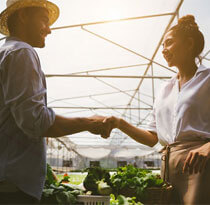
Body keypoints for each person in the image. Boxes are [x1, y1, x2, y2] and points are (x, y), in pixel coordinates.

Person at [0, 0, 112, 203]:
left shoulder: (6, 52)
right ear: (24, 16)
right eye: (44, 20)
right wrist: (89, 123)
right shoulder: (22, 52)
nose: (49, 30)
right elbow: (35, 122)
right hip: (12, 186)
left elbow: (21, 119)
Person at [104, 15, 210, 204]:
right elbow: (152, 138)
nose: (163, 50)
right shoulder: (164, 89)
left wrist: (208, 146)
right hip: (168, 169)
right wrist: (120, 123)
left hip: (199, 167)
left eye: (168, 43)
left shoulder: (207, 79)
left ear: (189, 43)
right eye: (162, 45)